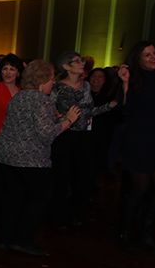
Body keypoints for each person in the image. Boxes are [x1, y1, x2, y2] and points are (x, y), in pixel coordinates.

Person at [0, 60, 80, 255]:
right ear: (42, 81)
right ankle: (23, 240)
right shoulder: (41, 100)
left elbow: (28, 123)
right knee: (38, 199)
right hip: (29, 159)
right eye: (51, 79)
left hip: (6, 156)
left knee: (13, 198)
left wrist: (56, 117)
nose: (53, 83)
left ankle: (6, 239)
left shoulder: (19, 96)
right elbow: (46, 134)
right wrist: (68, 121)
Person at [115, 41, 155, 248]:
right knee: (139, 189)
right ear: (138, 59)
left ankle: (146, 228)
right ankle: (125, 229)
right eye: (147, 55)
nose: (153, 57)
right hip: (139, 142)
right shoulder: (132, 80)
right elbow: (125, 111)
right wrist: (125, 84)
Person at [49, 51, 118, 229]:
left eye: (81, 61)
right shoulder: (57, 88)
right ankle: (58, 216)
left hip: (84, 137)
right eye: (77, 61)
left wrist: (109, 106)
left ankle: (74, 214)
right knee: (62, 177)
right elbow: (49, 112)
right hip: (64, 136)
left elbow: (89, 112)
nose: (82, 63)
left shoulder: (86, 85)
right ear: (66, 66)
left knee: (82, 177)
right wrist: (59, 118)